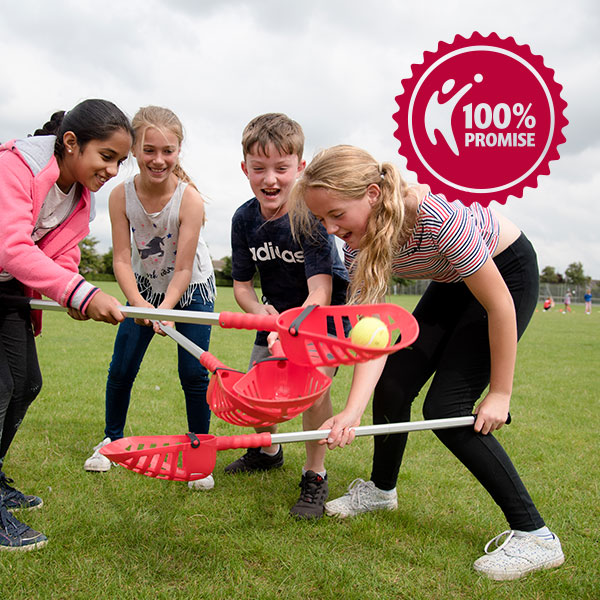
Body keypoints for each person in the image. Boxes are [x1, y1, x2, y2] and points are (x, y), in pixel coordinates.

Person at [289, 145, 564, 580]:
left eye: (336, 214)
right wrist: (351, 411)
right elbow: (374, 335)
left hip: (505, 274)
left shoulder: (434, 218)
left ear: (373, 194)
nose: (330, 228)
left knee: (446, 407)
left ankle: (536, 535)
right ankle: (381, 491)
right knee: (394, 384)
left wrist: (500, 392)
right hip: (451, 279)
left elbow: (500, 308)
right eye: (323, 220)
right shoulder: (358, 246)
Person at [0, 99, 133, 550]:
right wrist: (80, 292)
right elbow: (12, 248)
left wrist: (75, 287)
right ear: (71, 143)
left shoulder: (80, 197)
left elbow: (61, 253)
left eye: (120, 161)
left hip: (8, 294)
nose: (113, 170)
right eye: (107, 156)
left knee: (25, 385)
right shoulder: (14, 167)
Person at [83, 107, 217, 491]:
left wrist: (165, 310)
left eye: (168, 151)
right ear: (135, 151)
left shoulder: (189, 200)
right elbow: (122, 259)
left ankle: (199, 451)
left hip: (190, 290)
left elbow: (183, 269)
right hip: (141, 289)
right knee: (122, 367)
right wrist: (140, 305)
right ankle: (111, 440)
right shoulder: (119, 196)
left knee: (193, 374)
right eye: (149, 150)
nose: (159, 159)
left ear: (178, 152)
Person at [226, 113, 349, 519]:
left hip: (323, 319)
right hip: (275, 320)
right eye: (259, 169)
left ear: (300, 167)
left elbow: (321, 289)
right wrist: (263, 316)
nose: (271, 179)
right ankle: (266, 452)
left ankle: (315, 475)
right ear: (245, 168)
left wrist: (292, 325)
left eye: (282, 168)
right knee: (259, 394)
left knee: (313, 394)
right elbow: (243, 286)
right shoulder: (244, 219)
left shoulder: (309, 215)